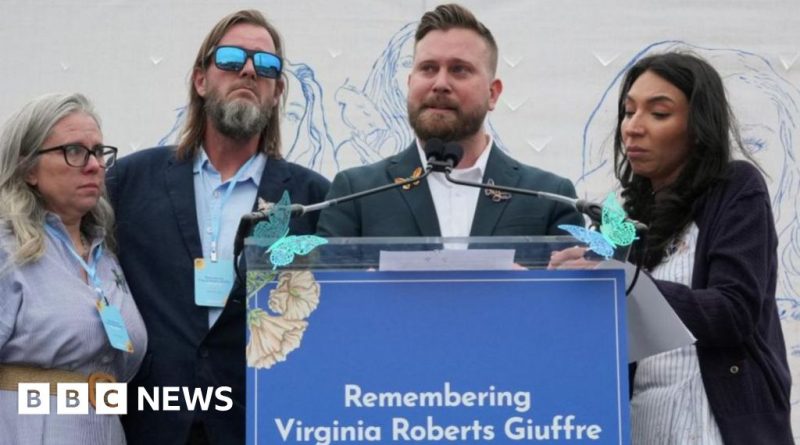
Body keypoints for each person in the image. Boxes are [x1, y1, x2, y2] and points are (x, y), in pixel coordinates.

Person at [106, 10, 330, 445]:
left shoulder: (312, 199)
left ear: (277, 91)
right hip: (149, 424)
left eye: (266, 66)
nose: (248, 70)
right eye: (230, 59)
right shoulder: (128, 182)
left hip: (257, 424)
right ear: (201, 80)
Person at [553, 52, 793, 444]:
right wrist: (563, 288)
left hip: (717, 429)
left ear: (698, 127)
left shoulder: (736, 189)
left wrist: (622, 281)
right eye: (628, 112)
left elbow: (734, 311)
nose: (633, 127)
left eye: (658, 113)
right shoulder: (624, 222)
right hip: (643, 427)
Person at [317, 3, 582, 237]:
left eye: (459, 70)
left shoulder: (550, 198)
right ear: (410, 84)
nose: (440, 83)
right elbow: (328, 288)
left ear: (493, 93)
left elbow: (571, 290)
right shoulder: (356, 194)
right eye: (428, 68)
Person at [0, 92, 146, 444]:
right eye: (74, 151)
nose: (94, 165)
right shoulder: (7, 251)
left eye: (98, 152)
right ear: (29, 168)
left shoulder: (104, 255)